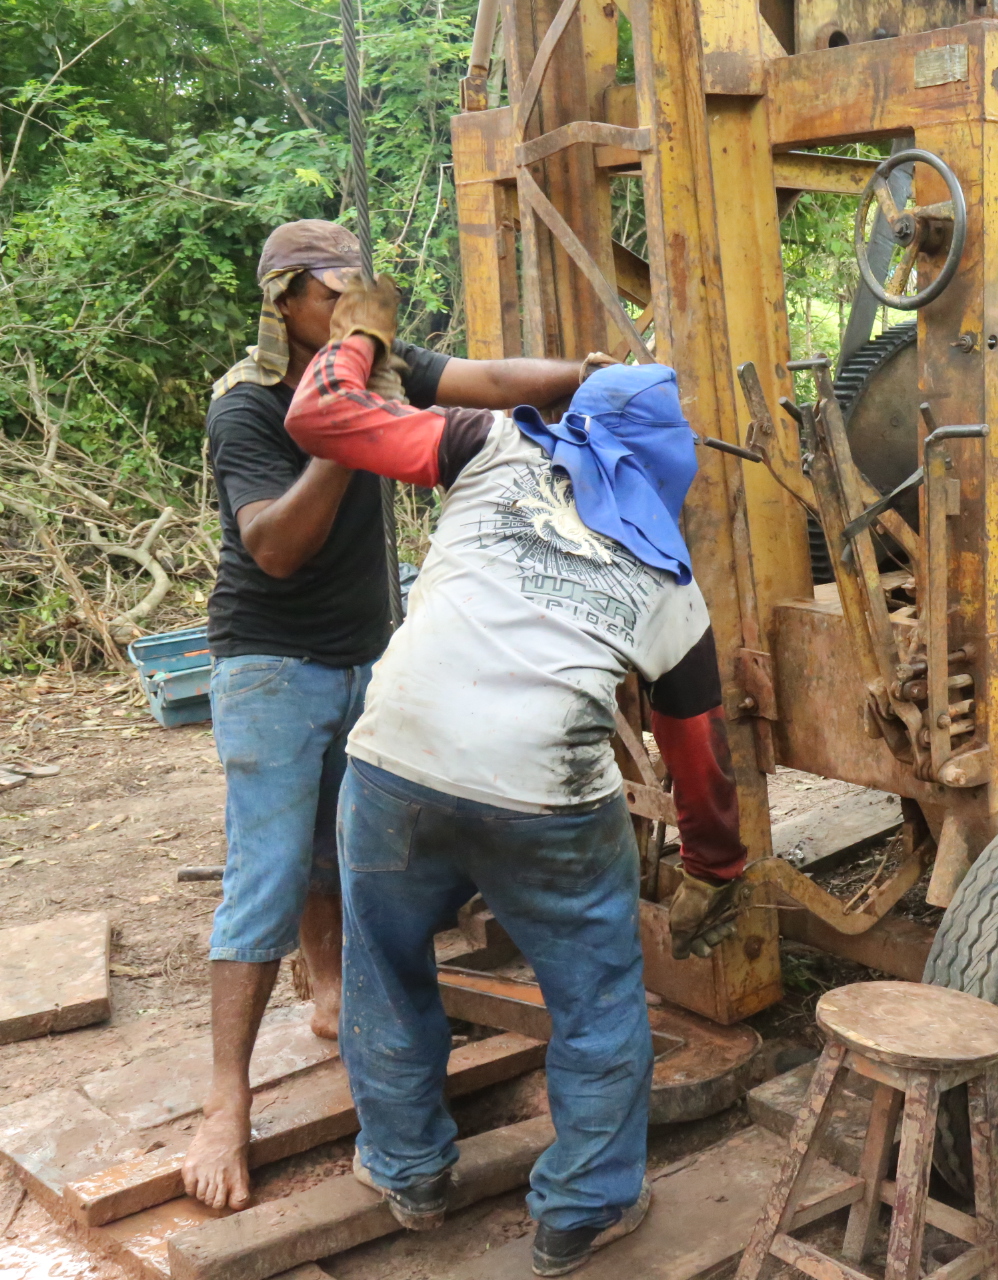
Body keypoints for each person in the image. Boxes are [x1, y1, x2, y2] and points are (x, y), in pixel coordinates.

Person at [282, 272, 750, 1277]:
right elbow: (699, 761)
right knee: (595, 995)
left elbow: (323, 415)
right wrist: (718, 867)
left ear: (573, 423)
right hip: (544, 795)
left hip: (397, 758)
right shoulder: (671, 584)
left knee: (387, 960)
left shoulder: (486, 448)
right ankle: (583, 1207)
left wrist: (357, 338)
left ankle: (407, 1171)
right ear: (673, 466)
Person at [185, 219, 600, 1213]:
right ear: (285, 303)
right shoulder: (250, 405)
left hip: (365, 652)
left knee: (346, 852)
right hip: (271, 665)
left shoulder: (371, 363)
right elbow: (276, 547)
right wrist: (348, 424)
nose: (352, 315)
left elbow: (487, 379)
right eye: (334, 298)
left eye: (360, 297)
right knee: (265, 876)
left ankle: (331, 996)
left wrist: (580, 377)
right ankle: (223, 1101)